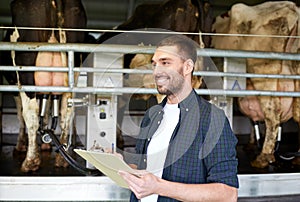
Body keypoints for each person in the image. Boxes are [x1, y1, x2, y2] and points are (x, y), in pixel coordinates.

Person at [119, 34, 239, 202]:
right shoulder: (152, 115)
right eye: (154, 64)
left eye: (165, 63)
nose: (156, 71)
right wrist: (121, 166)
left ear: (187, 66)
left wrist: (159, 187)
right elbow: (144, 169)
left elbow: (228, 194)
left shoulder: (212, 119)